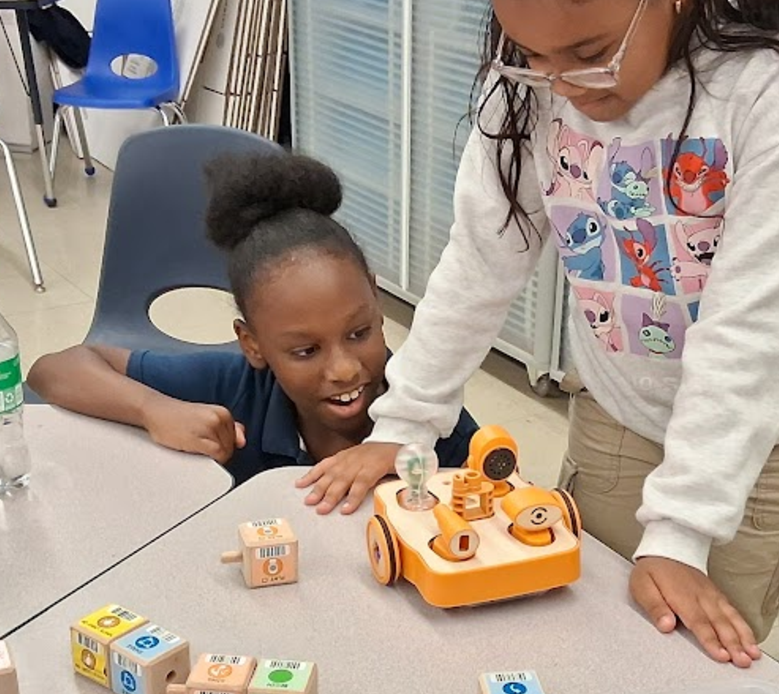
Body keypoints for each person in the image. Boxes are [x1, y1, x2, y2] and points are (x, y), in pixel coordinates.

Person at [297, 0, 779, 667]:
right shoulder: (534, 79)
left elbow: (755, 331)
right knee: (582, 636)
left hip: (769, 437)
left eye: (589, 54)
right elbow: (482, 259)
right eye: (534, 55)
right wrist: (404, 423)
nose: (565, 86)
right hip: (621, 406)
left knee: (680, 667)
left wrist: (679, 530)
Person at [28, 151, 481, 484]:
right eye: (305, 350)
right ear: (252, 344)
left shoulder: (429, 417)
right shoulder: (234, 388)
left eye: (359, 332)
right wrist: (155, 409)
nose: (345, 369)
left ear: (377, 300)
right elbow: (56, 369)